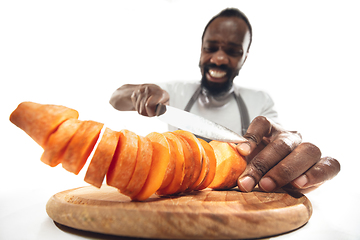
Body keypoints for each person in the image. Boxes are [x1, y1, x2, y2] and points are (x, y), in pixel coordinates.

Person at [109, 8, 340, 194]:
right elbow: (115, 99)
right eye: (211, 48)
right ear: (201, 49)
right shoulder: (173, 92)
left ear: (244, 57)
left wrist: (287, 157)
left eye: (232, 51)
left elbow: (277, 146)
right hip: (178, 192)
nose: (218, 58)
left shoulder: (259, 100)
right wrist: (139, 93)